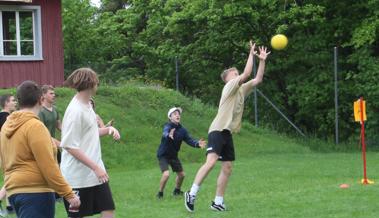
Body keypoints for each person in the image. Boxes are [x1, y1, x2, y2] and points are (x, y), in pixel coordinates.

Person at [184, 41, 270, 212]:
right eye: (234, 73)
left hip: (227, 132)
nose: (237, 74)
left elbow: (257, 79)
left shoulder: (241, 89)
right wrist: (251, 54)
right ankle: (191, 193)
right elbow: (246, 73)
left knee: (227, 167)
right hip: (217, 129)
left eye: (236, 72)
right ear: (227, 79)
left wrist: (262, 60)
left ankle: (218, 202)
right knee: (211, 162)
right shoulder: (229, 86)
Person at [0, 81, 80, 218]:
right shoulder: (35, 126)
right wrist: (69, 194)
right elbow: (48, 165)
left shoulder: (6, 127)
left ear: (19, 101)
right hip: (36, 192)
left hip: (14, 192)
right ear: (40, 99)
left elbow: (3, 162)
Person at [60, 68, 121, 218]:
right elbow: (69, 146)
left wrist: (108, 130)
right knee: (77, 216)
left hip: (95, 174)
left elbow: (90, 134)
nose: (98, 84)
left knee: (108, 209)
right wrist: (95, 167)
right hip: (77, 177)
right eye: (96, 81)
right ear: (90, 84)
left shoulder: (87, 105)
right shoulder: (75, 111)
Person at [156, 107, 206, 199]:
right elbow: (165, 133)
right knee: (166, 174)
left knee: (182, 175)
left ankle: (177, 191)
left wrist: (197, 144)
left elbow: (189, 140)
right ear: (170, 117)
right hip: (163, 155)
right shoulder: (168, 126)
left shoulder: (182, 130)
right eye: (174, 114)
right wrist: (168, 135)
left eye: (178, 114)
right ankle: (160, 193)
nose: (177, 115)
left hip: (173, 155)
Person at [0, 94, 17, 217]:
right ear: (6, 103)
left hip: (3, 152)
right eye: (12, 101)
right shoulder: (7, 118)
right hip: (5, 152)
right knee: (12, 177)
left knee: (8, 177)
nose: (15, 102)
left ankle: (9, 206)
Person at [38, 85, 62, 161]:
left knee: (60, 167)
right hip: (44, 146)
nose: (54, 95)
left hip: (54, 145)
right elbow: (41, 133)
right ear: (44, 95)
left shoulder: (55, 109)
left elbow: (59, 125)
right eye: (51, 93)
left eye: (54, 93)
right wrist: (59, 143)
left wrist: (69, 133)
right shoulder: (40, 111)